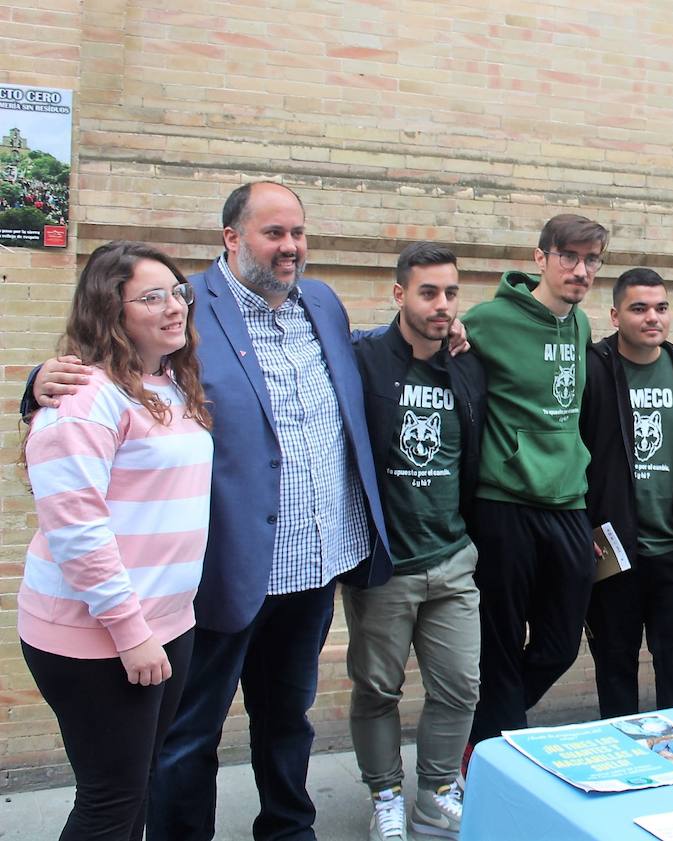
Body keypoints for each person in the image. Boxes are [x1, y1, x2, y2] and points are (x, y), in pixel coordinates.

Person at [26, 181, 392, 841]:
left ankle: (287, 828)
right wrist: (37, 382)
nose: (291, 247)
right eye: (273, 233)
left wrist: (435, 333)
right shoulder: (186, 305)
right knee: (188, 734)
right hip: (224, 569)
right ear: (231, 238)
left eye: (298, 233)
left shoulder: (324, 302)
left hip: (315, 561)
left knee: (288, 718)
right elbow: (109, 366)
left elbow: (361, 355)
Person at [19, 241, 213, 841]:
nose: (173, 306)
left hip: (167, 624)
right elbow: (78, 532)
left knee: (135, 789)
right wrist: (132, 636)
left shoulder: (168, 384)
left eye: (177, 292)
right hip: (98, 637)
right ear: (111, 311)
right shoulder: (83, 398)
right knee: (109, 801)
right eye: (150, 297)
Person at [346, 243, 486, 840]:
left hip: (452, 558)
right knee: (378, 688)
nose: (442, 305)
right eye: (428, 292)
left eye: (451, 293)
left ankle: (434, 794)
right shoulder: (363, 357)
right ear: (399, 293)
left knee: (460, 686)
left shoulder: (465, 364)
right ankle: (384, 797)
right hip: (386, 565)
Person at [462, 214, 606, 750]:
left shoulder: (581, 324)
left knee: (561, 642)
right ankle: (493, 758)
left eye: (591, 260)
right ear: (540, 258)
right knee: (498, 644)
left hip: (567, 501)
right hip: (503, 503)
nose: (580, 269)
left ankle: (477, 729)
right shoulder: (488, 321)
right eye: (568, 256)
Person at [581, 268, 673, 718]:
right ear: (614, 314)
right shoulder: (593, 371)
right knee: (615, 670)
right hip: (613, 555)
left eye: (660, 308)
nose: (652, 318)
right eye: (638, 308)